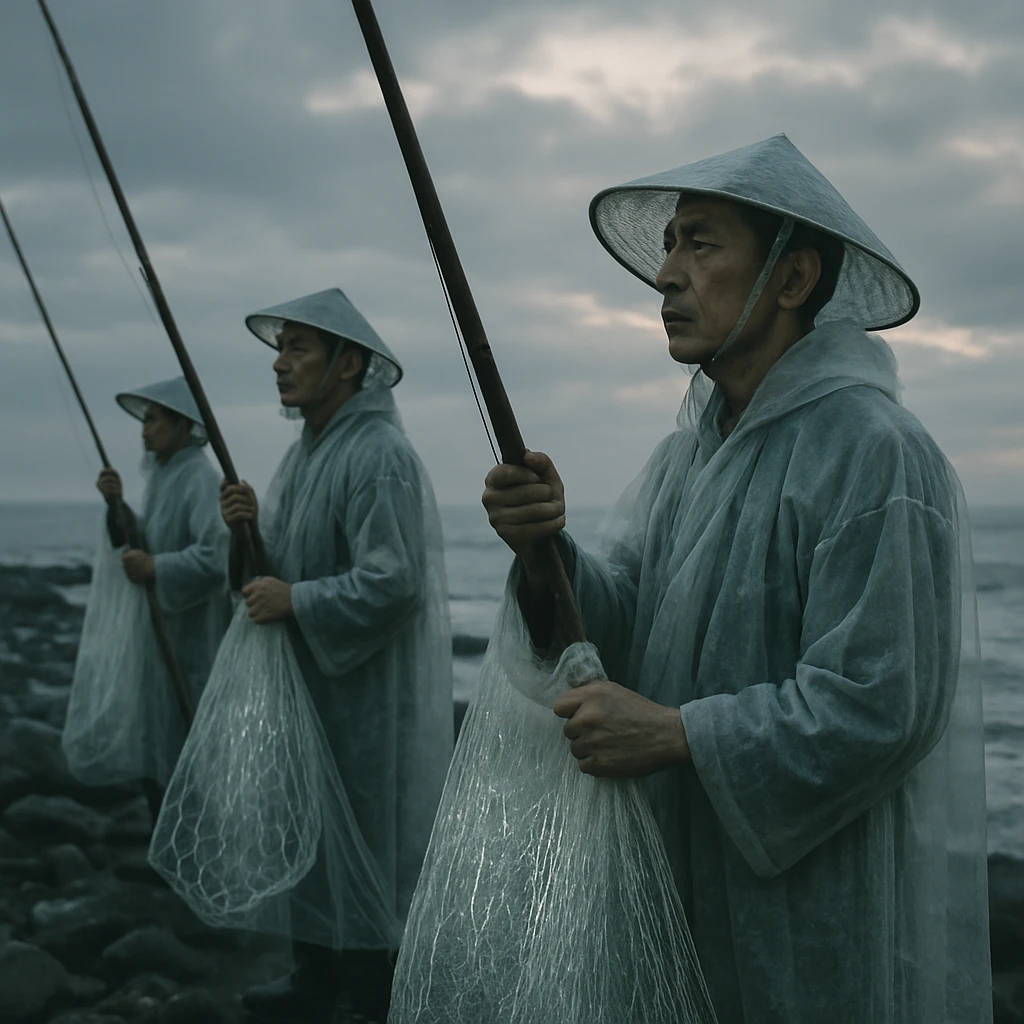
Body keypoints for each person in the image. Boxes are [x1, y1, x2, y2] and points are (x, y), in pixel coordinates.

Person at [482, 135, 991, 1022]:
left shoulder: (876, 454)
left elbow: (883, 705)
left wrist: (681, 735)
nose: (668, 275)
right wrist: (545, 553)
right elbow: (629, 619)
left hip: (809, 900)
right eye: (670, 243)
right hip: (680, 869)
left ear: (791, 281)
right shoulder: (686, 458)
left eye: (701, 243)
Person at [220, 288, 453, 1024]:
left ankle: (369, 991)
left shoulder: (378, 454)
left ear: (349, 364)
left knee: (365, 836)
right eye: (279, 348)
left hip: (365, 694)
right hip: (314, 687)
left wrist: (300, 602)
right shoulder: (305, 453)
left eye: (298, 349)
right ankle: (313, 972)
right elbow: (278, 569)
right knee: (313, 827)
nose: (280, 365)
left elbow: (395, 580)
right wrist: (245, 535)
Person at [94, 376, 231, 819]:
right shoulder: (164, 477)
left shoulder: (200, 477)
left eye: (153, 419)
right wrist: (117, 505)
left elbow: (215, 558)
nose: (144, 429)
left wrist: (156, 568)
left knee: (194, 746)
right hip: (166, 637)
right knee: (164, 743)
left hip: (196, 641)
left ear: (181, 424)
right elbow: (144, 541)